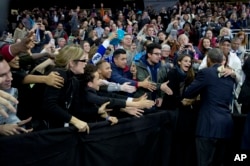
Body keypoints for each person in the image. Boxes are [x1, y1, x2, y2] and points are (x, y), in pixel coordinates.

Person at [183, 48, 235, 166]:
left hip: (208, 126)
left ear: (208, 60)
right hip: (226, 126)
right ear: (222, 60)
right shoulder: (231, 75)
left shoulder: (206, 73)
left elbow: (188, 92)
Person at [0, 55, 32, 136]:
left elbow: (9, 115)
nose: (10, 78)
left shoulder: (12, 90)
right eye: (2, 75)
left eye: (9, 71)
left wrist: (16, 125)